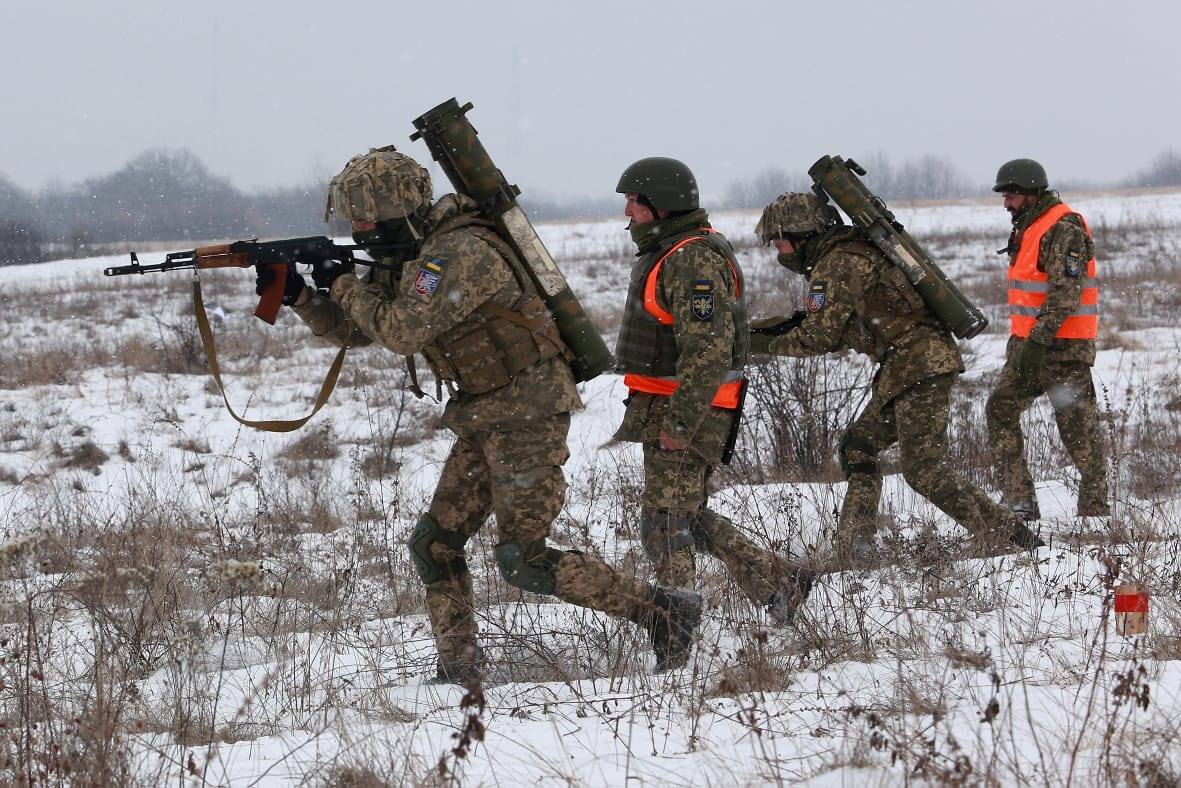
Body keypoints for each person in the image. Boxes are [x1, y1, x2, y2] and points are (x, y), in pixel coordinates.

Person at [260, 146, 702, 678]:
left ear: (395, 207)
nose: (357, 229)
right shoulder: (415, 255)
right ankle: (459, 667)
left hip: (529, 412)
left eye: (363, 216)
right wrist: (304, 299)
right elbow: (362, 329)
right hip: (484, 414)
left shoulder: (460, 253)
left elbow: (403, 331)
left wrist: (342, 282)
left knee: (523, 558)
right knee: (435, 544)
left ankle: (664, 612)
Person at [748, 192, 1042, 568]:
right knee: (859, 446)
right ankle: (856, 546)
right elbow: (829, 327)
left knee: (925, 470)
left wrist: (760, 347)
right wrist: (759, 334)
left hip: (919, 366)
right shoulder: (846, 254)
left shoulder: (838, 263)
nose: (778, 248)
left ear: (803, 234)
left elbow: (818, 337)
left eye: (780, 239)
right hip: (909, 366)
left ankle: (1014, 538)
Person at [613, 157, 814, 623]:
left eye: (633, 201)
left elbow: (707, 352)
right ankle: (780, 582)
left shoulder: (691, 259)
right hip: (673, 407)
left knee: (665, 524)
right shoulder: (674, 252)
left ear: (659, 205)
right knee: (687, 515)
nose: (627, 212)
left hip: (686, 410)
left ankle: (675, 625)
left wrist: (682, 422)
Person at [985, 159, 1108, 520]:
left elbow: (1065, 294)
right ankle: (1019, 503)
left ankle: (1096, 514)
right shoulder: (1030, 225)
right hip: (1028, 349)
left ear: (1031, 192)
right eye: (1004, 196)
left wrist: (1038, 342)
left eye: (1010, 195)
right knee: (1000, 410)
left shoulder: (1063, 227)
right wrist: (1028, 344)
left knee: (1079, 434)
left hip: (1061, 351)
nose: (1005, 203)